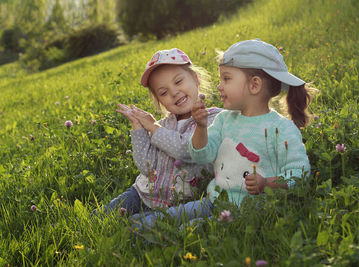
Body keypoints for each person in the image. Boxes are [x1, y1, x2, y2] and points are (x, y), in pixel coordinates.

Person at [131, 39, 311, 231]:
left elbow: (300, 173)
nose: (219, 86)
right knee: (144, 225)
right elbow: (202, 155)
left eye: (226, 79)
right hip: (215, 200)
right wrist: (200, 127)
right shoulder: (225, 119)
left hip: (250, 210)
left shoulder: (282, 129)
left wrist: (266, 183)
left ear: (255, 85)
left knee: (188, 232)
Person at [94, 48, 221, 218]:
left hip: (179, 202)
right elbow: (146, 166)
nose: (174, 92)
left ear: (195, 79)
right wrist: (139, 128)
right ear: (159, 101)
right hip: (141, 194)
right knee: (101, 217)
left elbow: (189, 149)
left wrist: (153, 127)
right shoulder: (163, 125)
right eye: (163, 92)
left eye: (178, 82)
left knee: (137, 229)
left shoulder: (213, 119)